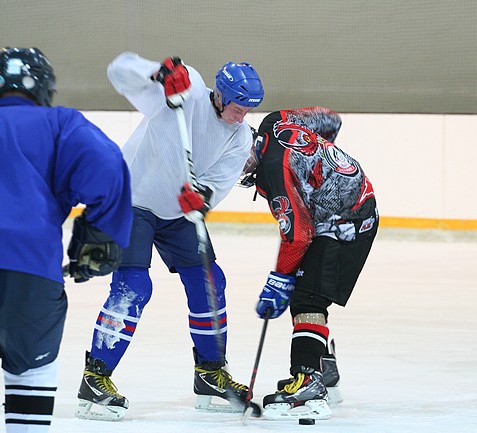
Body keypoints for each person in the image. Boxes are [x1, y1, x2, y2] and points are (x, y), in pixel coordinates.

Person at [75, 52, 264, 421]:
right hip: (132, 200)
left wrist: (203, 197)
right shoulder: (186, 91)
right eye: (238, 108)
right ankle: (94, 378)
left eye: (248, 110)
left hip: (176, 213)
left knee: (210, 281)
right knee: (134, 286)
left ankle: (209, 373)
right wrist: (156, 74)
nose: (242, 116)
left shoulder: (241, 136)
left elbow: (218, 182)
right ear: (220, 95)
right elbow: (119, 70)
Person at [0, 47, 132, 433]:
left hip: (30, 263)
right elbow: (107, 166)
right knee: (30, 371)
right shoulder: (60, 124)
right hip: (30, 267)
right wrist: (98, 236)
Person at [239, 107, 379, 420]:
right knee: (308, 288)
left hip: (348, 220)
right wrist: (317, 165)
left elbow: (298, 236)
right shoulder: (276, 120)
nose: (238, 170)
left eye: (236, 161)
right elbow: (331, 120)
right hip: (353, 203)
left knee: (308, 298)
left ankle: (308, 380)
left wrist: (278, 280)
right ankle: (323, 367)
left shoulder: (273, 171)